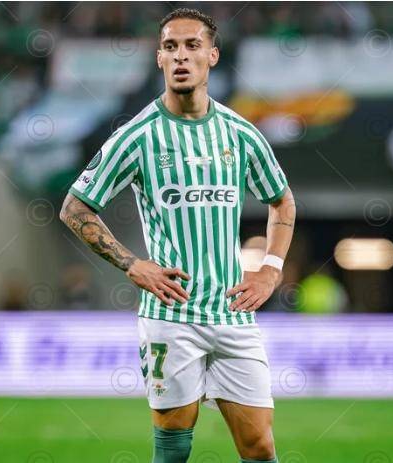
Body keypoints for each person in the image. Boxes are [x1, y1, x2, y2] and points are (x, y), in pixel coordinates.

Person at [60, 8, 295, 463]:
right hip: (172, 315)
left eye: (192, 46)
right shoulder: (138, 136)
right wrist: (132, 264)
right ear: (159, 59)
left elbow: (282, 201)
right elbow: (75, 207)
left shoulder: (241, 134)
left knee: (260, 446)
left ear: (213, 56)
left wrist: (270, 269)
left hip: (232, 313)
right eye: (170, 47)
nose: (181, 56)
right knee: (174, 448)